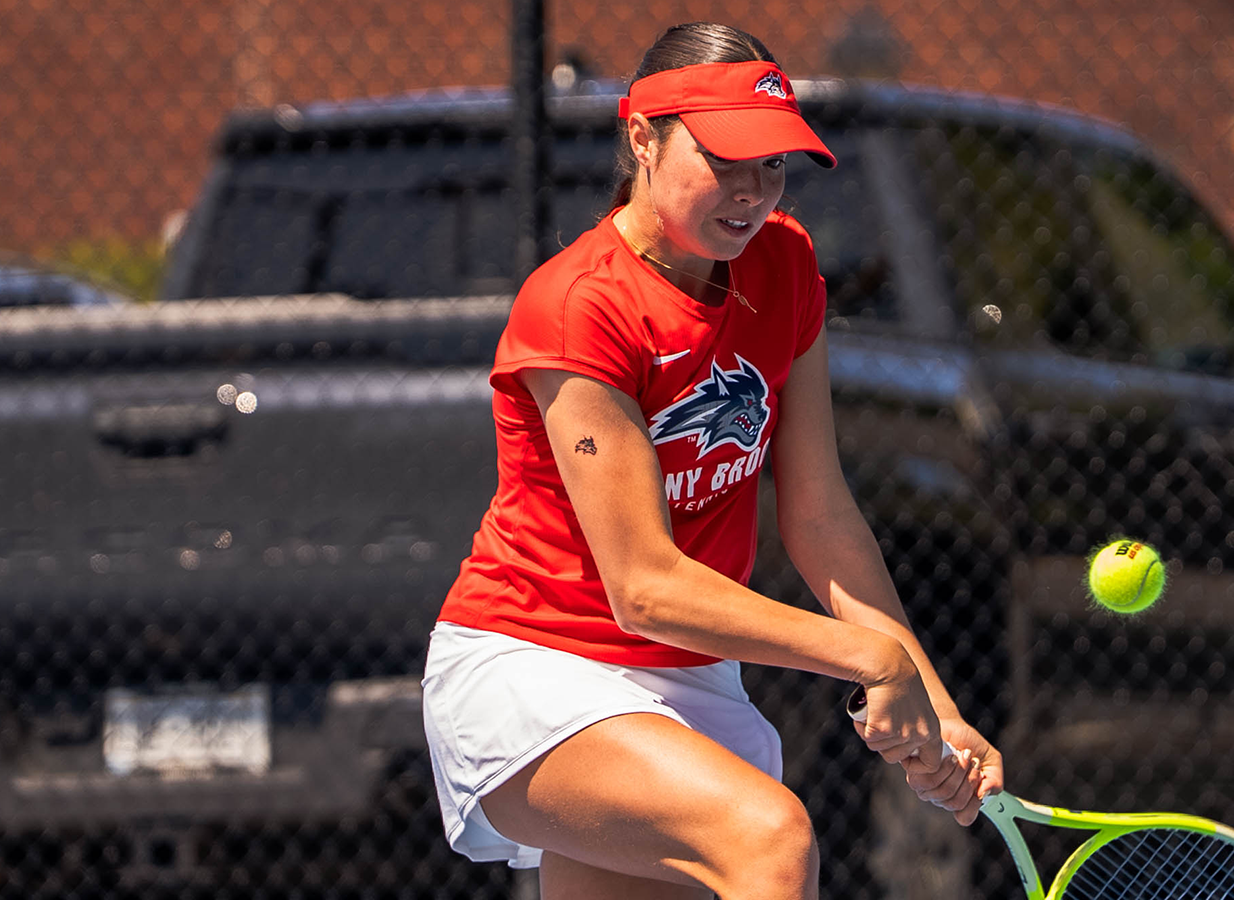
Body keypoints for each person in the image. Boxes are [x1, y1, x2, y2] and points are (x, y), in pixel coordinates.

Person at [421, 22, 1003, 900]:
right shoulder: (582, 308)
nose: (752, 191)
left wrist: (932, 697)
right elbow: (645, 587)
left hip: (683, 677)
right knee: (768, 835)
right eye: (724, 159)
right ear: (641, 137)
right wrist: (868, 660)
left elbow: (818, 512)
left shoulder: (786, 265)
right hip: (532, 666)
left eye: (771, 164)